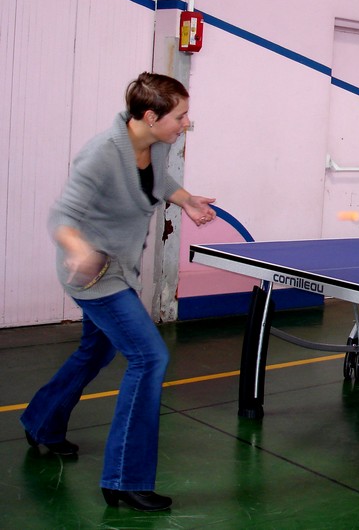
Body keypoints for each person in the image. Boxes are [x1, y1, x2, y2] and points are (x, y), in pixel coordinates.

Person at [20, 72, 216, 511]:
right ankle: (125, 479)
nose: (186, 123)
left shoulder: (158, 144)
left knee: (96, 351)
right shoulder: (101, 155)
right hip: (93, 274)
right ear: (151, 116)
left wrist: (187, 200)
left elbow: (158, 183)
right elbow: (61, 217)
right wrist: (79, 251)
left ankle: (41, 422)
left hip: (122, 268)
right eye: (181, 116)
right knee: (149, 357)